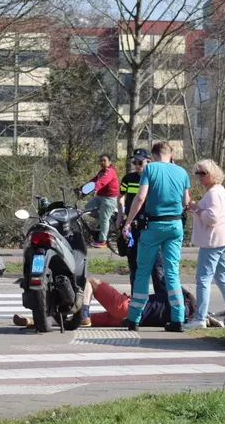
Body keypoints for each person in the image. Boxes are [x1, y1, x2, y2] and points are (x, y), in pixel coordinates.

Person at [122, 141, 191, 333]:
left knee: (143, 271)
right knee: (171, 272)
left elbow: (141, 197)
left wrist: (128, 222)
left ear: (152, 156)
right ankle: (177, 319)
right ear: (171, 154)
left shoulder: (150, 169)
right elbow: (186, 201)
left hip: (153, 226)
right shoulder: (182, 172)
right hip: (175, 225)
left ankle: (134, 319)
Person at [185, 160, 225, 329]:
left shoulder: (213, 193)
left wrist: (196, 208)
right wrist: (197, 209)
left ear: (213, 174)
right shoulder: (219, 191)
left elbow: (212, 218)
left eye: (203, 173)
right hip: (224, 238)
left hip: (214, 240)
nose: (199, 177)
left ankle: (200, 318)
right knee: (222, 277)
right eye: (198, 173)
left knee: (203, 278)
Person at [12, 278, 204, 328]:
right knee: (73, 321)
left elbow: (169, 283)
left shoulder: (178, 298)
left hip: (127, 307)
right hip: (123, 320)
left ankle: (84, 312)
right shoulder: (179, 316)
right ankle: (33, 321)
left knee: (91, 282)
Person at [117, 148, 167, 295]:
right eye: (134, 162)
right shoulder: (128, 178)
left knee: (157, 267)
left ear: (148, 162)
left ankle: (161, 301)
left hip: (151, 226)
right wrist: (120, 215)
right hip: (133, 226)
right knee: (134, 266)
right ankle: (136, 301)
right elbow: (120, 196)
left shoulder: (154, 177)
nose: (137, 165)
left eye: (140, 162)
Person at [82, 154, 119, 248]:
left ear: (109, 162)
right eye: (100, 161)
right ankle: (108, 220)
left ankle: (103, 241)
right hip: (100, 197)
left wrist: (95, 188)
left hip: (109, 199)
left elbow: (102, 182)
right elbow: (93, 181)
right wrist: (82, 188)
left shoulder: (110, 171)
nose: (102, 162)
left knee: (103, 219)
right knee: (87, 208)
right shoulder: (101, 172)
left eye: (104, 161)